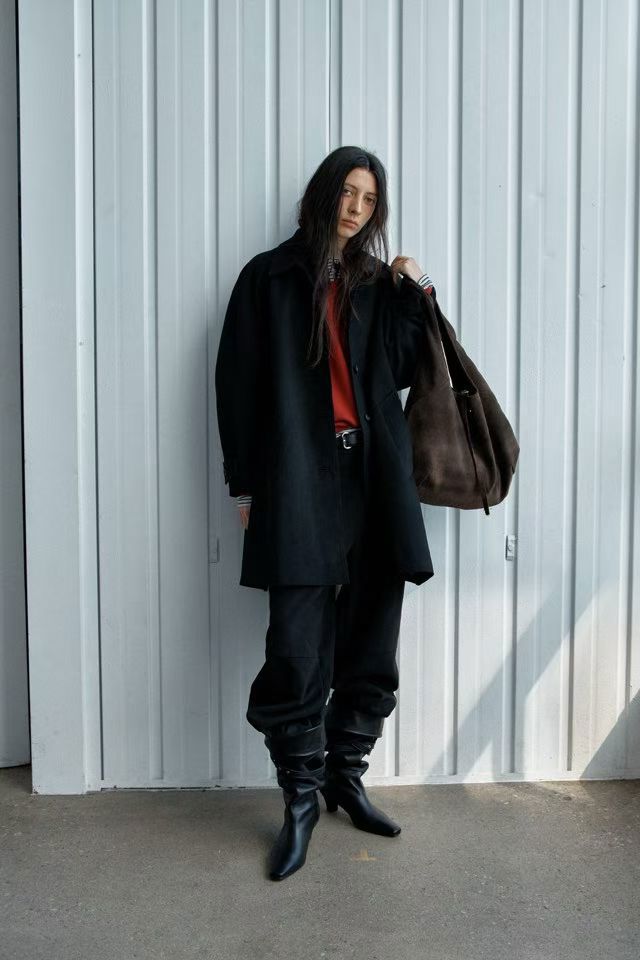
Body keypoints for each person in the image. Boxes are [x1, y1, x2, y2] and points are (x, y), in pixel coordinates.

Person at [214, 145, 436, 881]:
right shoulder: (269, 278)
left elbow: (405, 368)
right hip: (299, 478)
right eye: (347, 192)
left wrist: (414, 291)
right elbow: (237, 388)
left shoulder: (374, 284)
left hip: (372, 477)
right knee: (297, 645)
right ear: (323, 193)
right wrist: (246, 489)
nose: (355, 208)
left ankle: (346, 777)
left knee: (373, 631)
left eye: (369, 199)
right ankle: (300, 801)